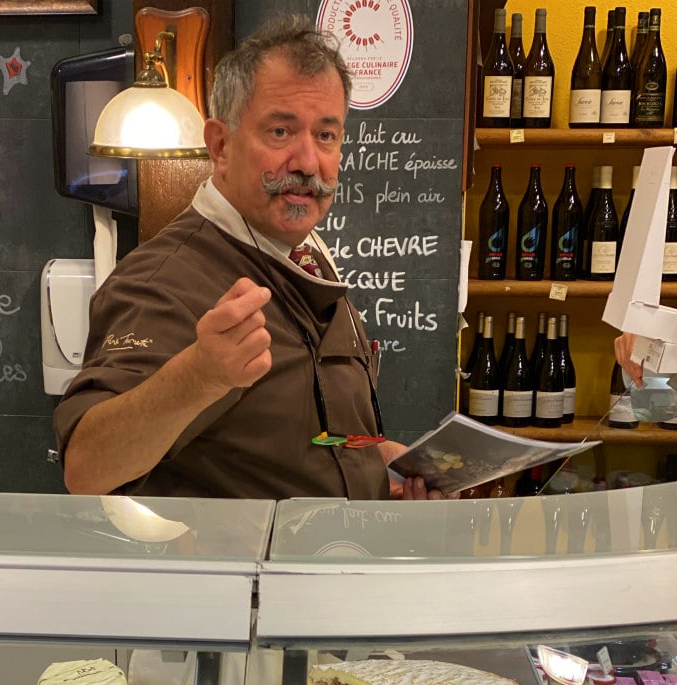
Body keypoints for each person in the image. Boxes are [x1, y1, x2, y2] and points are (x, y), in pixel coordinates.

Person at [54, 16, 447, 502]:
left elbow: (296, 431)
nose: (308, 162)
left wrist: (371, 461)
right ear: (220, 146)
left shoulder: (306, 259)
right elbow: (85, 469)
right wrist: (199, 375)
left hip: (335, 568)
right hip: (239, 578)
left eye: (326, 136)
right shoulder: (161, 279)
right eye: (281, 131)